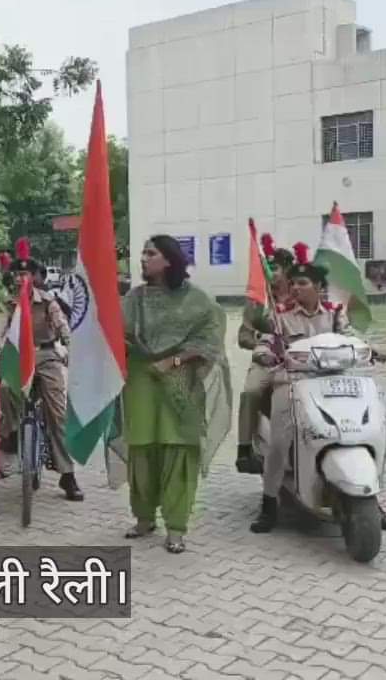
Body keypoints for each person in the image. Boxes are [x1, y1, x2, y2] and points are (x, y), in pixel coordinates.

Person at [249, 244, 386, 534]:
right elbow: (265, 341)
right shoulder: (280, 315)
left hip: (335, 381)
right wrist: (264, 353)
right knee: (280, 443)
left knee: (367, 429)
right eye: (293, 282)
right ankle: (269, 504)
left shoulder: (334, 313)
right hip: (293, 382)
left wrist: (371, 350)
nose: (295, 287)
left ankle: (373, 498)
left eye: (303, 283)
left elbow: (350, 338)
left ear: (318, 286)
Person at [118, 236, 232, 554]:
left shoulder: (196, 300)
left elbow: (210, 339)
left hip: (180, 380)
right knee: (142, 449)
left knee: (179, 449)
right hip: (141, 377)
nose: (143, 258)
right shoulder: (135, 298)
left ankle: (176, 527)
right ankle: (143, 519)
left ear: (169, 260)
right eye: (142, 252)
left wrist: (174, 360)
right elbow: (116, 331)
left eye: (150, 253)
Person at [0, 238, 82, 502]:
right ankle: (13, 432)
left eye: (26, 273)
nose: (20, 277)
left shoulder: (48, 300)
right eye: (17, 273)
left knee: (57, 414)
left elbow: (61, 326)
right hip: (16, 358)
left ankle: (67, 474)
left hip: (46, 356)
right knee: (4, 389)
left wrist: (69, 345)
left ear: (36, 276)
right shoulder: (8, 304)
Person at [235, 236, 294, 474]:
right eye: (266, 268)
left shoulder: (300, 294)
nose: (271, 273)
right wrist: (263, 343)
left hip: (299, 364)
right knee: (251, 392)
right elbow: (243, 337)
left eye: (276, 268)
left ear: (288, 270)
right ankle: (244, 450)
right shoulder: (258, 301)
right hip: (266, 362)